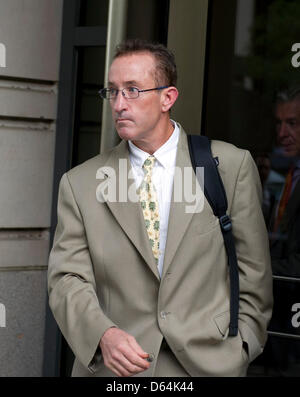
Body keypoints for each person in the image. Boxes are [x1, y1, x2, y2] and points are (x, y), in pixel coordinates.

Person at [47, 38, 273, 377]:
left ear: (168, 97)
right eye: (113, 91)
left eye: (133, 90)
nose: (119, 103)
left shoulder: (228, 166)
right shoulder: (80, 183)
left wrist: (241, 347)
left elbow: (253, 271)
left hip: (207, 365)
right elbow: (67, 279)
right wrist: (101, 335)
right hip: (119, 372)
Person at [265, 86, 300, 376]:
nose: (283, 133)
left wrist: (252, 268)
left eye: (293, 123)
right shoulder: (279, 171)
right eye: (279, 123)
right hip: (272, 314)